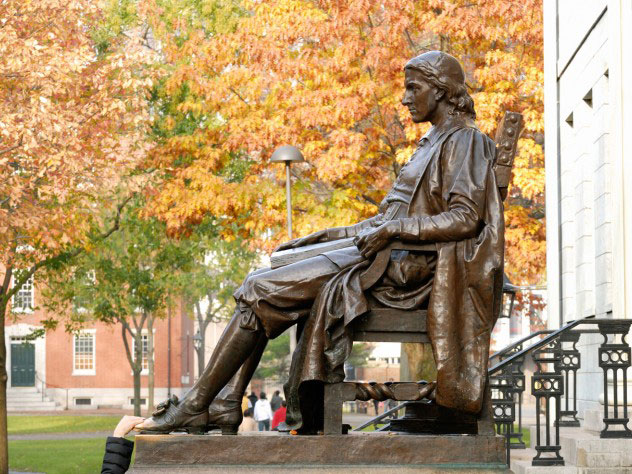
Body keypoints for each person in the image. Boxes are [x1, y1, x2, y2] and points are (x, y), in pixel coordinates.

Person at [137, 51, 504, 435]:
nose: (405, 98)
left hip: (403, 270)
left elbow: (465, 218)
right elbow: (384, 219)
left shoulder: (466, 141)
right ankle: (226, 402)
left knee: (258, 288)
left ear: (442, 90)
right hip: (384, 254)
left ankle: (199, 404)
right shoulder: (432, 142)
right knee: (268, 272)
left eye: (414, 88)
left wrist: (394, 232)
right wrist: (325, 235)